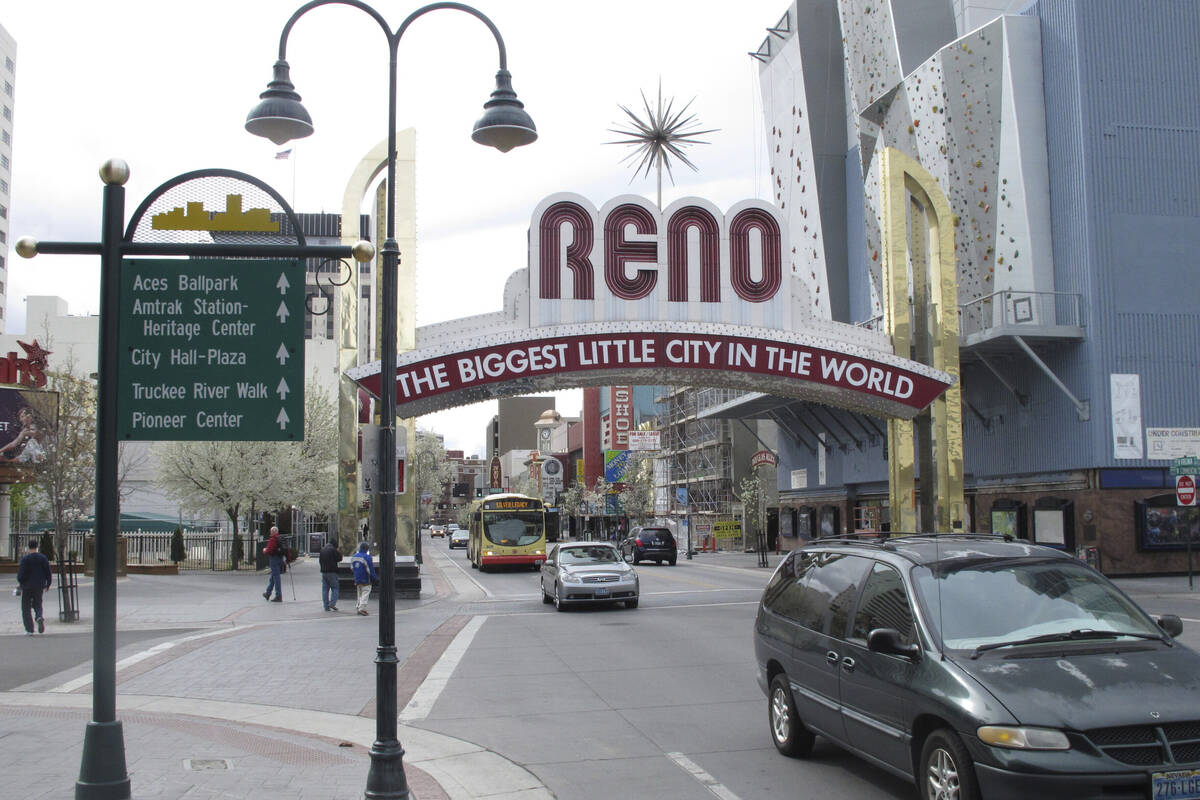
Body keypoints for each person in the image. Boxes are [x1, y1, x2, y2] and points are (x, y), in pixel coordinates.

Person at [16, 538, 52, 635]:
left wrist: (20, 583)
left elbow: (21, 575)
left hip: (27, 586)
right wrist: (48, 584)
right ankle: (39, 616)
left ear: (29, 547)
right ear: (37, 547)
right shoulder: (43, 558)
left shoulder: (25, 559)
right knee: (38, 603)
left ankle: (29, 629)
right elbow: (48, 572)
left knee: (26, 607)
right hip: (39, 585)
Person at [350, 541, 377, 616]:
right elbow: (370, 570)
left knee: (359, 592)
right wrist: (375, 577)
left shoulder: (354, 556)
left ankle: (358, 606)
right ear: (367, 549)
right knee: (366, 592)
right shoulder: (367, 557)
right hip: (365, 578)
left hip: (357, 578)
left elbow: (352, 568)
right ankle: (361, 608)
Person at [319, 538, 343, 612]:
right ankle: (332, 603)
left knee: (325, 589)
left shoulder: (322, 550)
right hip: (332, 572)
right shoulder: (333, 550)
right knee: (335, 588)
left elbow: (320, 561)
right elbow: (339, 558)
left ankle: (326, 606)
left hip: (324, 572)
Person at [262, 526, 285, 602]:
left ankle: (278, 595)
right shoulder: (280, 539)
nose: (270, 533)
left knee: (276, 577)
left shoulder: (273, 539)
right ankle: (268, 593)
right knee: (273, 577)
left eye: (271, 531)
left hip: (274, 559)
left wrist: (265, 550)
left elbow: (270, 550)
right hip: (280, 559)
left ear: (273, 532)